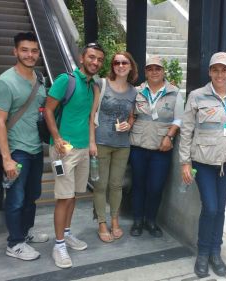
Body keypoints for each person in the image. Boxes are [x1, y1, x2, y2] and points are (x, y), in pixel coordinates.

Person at [179, 52, 226, 278]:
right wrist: (185, 162)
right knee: (211, 208)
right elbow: (186, 130)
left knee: (221, 209)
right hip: (204, 162)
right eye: (215, 69)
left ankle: (216, 252)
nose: (219, 74)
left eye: (224, 70)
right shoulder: (197, 96)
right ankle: (203, 252)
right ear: (209, 72)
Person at [45, 42, 105, 268]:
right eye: (91, 57)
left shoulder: (93, 86)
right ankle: (58, 245)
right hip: (63, 150)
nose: (95, 62)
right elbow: (48, 110)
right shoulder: (66, 80)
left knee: (74, 195)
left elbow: (90, 118)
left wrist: (92, 144)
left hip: (82, 150)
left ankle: (67, 233)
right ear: (82, 58)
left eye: (99, 59)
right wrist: (57, 138)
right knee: (64, 197)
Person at [0, 32, 49, 261]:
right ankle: (14, 243)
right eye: (24, 50)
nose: (30, 55)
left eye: (34, 51)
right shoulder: (5, 82)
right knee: (15, 199)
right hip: (17, 151)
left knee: (32, 195)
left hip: (35, 148)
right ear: (15, 52)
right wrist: (6, 158)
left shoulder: (40, 78)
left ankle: (24, 233)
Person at [129, 56, 184, 237]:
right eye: (150, 69)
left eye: (158, 69)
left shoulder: (175, 93)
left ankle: (150, 220)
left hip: (162, 147)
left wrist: (170, 136)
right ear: (145, 72)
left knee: (156, 186)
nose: (154, 72)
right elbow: (130, 115)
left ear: (163, 72)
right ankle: (138, 220)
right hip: (138, 145)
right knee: (138, 184)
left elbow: (179, 118)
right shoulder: (136, 92)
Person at [89, 51, 138, 243]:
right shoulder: (101, 84)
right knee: (100, 185)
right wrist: (91, 142)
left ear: (131, 66)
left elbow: (132, 115)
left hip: (122, 144)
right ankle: (102, 222)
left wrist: (130, 124)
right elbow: (91, 115)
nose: (120, 65)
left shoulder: (134, 92)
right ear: (112, 66)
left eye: (124, 62)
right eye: (116, 62)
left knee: (116, 185)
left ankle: (115, 220)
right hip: (101, 142)